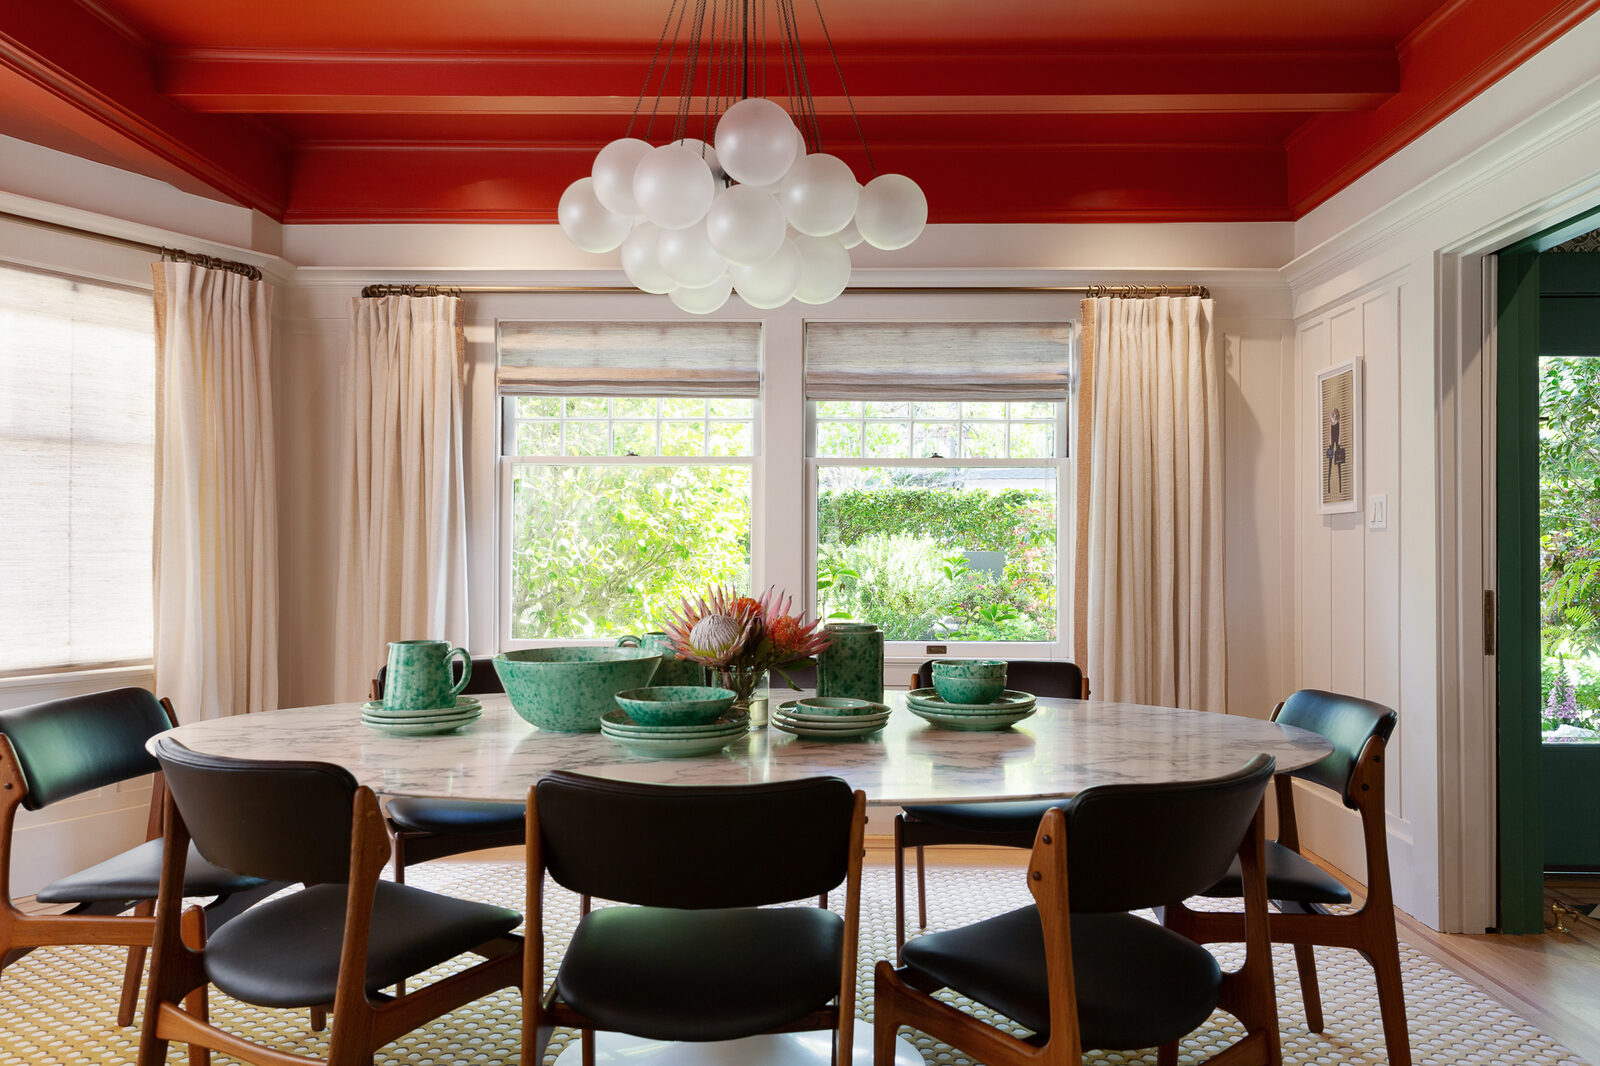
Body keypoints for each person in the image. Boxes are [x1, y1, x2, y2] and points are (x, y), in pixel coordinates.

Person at [1325, 406, 1345, 496]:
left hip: (1337, 441)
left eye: (1336, 413)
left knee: (1339, 462)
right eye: (1333, 413)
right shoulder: (1331, 421)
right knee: (1330, 462)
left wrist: (1339, 443)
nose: (1335, 414)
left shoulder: (1339, 421)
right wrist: (1330, 445)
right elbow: (1330, 433)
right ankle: (1328, 487)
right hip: (1332, 441)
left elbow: (1340, 432)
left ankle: (1340, 487)